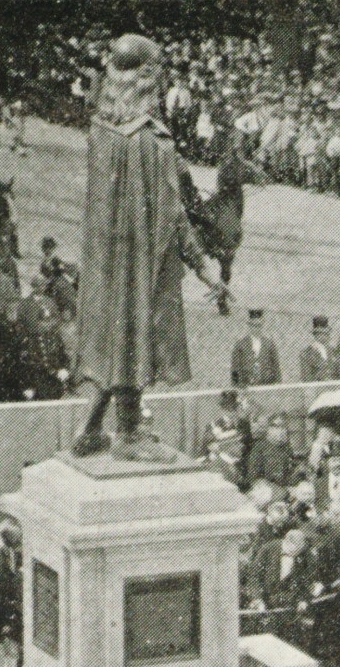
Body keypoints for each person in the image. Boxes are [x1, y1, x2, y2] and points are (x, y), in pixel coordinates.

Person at [71, 34, 227, 459]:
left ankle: (91, 427)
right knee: (138, 335)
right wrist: (204, 265)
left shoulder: (101, 130)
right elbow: (172, 215)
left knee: (114, 335)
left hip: (106, 262)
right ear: (146, 77)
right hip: (143, 260)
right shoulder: (151, 141)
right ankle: (127, 434)